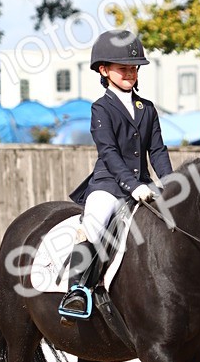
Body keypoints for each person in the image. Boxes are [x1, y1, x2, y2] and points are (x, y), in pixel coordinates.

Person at [58, 29, 173, 321]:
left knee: (181, 220)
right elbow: (108, 152)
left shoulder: (146, 109)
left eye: (134, 68)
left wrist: (171, 185)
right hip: (109, 185)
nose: (131, 73)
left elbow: (157, 151)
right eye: (124, 68)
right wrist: (132, 185)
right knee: (95, 223)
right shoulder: (101, 108)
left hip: (143, 185)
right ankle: (76, 291)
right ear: (104, 69)